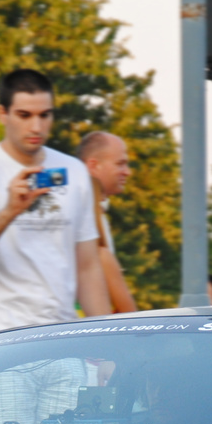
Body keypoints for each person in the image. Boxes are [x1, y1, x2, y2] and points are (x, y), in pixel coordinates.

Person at [0, 69, 109, 332]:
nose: (36, 127)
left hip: (62, 337)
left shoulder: (74, 170)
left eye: (45, 115)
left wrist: (106, 338)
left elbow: (88, 267)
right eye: (24, 115)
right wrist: (9, 211)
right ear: (2, 114)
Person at [76, 130, 137, 313]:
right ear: (93, 166)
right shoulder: (84, 225)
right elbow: (128, 313)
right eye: (120, 164)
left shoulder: (99, 216)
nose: (127, 172)